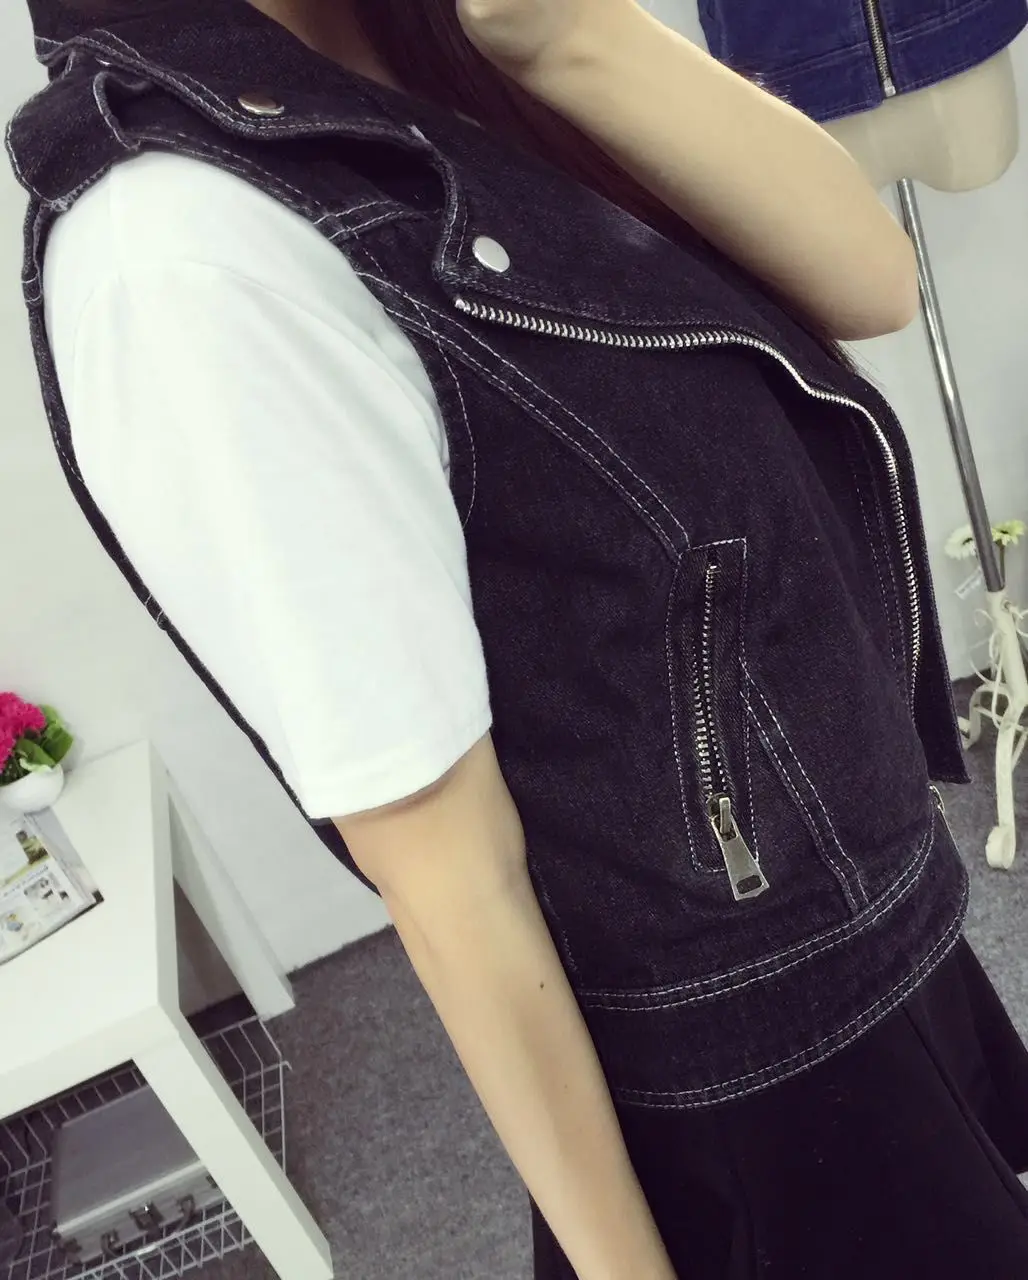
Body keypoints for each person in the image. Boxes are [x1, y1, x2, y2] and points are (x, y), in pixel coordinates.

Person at [11, 1, 1028, 1275]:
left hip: (869, 905)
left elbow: (867, 277)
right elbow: (447, 873)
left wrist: (562, 36)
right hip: (751, 1056)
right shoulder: (180, 253)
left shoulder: (446, 37)